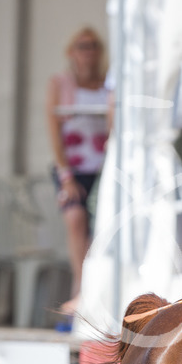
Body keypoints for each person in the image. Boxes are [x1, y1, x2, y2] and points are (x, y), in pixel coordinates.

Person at [45, 26, 110, 317]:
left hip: (101, 167)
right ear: (72, 52)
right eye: (83, 46)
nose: (89, 51)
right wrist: (65, 174)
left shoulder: (107, 84)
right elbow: (53, 129)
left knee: (99, 227)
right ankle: (81, 287)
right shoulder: (60, 83)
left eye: (94, 45)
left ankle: (88, 290)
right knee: (74, 219)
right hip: (72, 166)